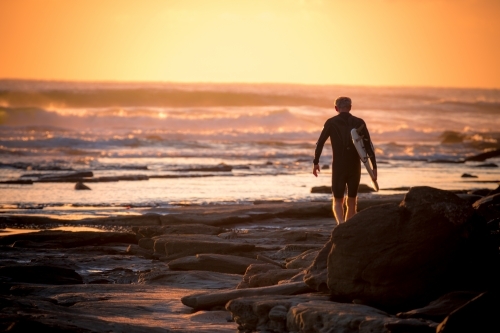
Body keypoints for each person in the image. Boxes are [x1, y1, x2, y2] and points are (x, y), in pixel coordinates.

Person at [313, 96, 377, 223]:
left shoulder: (331, 122)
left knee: (338, 199)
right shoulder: (359, 122)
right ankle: (348, 227)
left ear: (336, 108)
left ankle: (341, 225)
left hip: (339, 166)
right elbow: (369, 146)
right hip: (354, 166)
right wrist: (374, 167)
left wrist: (316, 162)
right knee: (352, 199)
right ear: (350, 108)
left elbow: (320, 143)